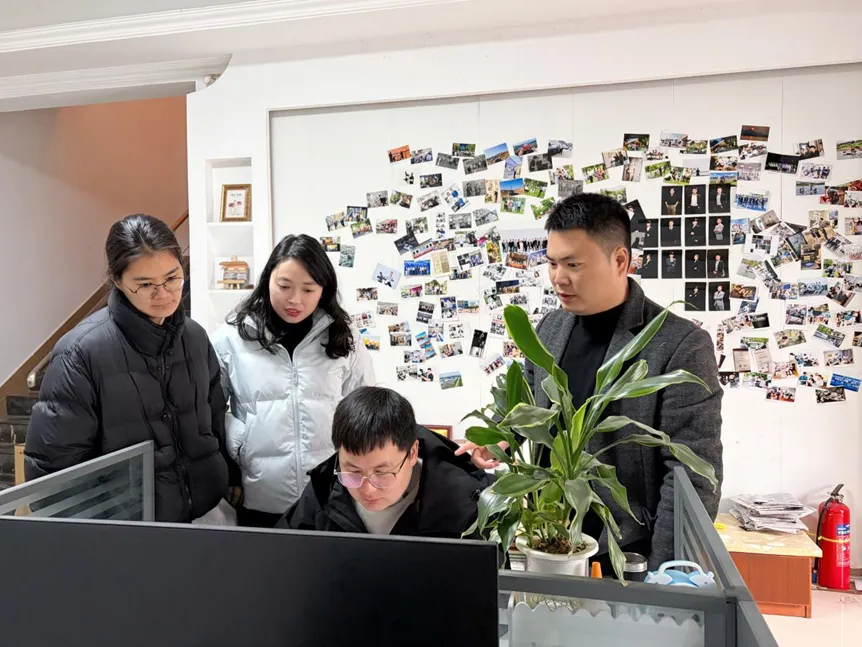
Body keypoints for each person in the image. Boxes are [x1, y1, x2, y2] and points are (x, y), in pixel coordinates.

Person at [456, 193, 722, 570]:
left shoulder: (680, 345)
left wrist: (668, 572)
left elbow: (691, 477)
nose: (558, 278)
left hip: (627, 553)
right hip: (545, 538)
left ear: (620, 260)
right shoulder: (550, 328)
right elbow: (528, 404)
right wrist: (502, 434)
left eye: (573, 264)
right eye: (552, 263)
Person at [25, 214, 230, 522]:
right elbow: (53, 475)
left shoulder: (194, 337)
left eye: (172, 278)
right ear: (118, 281)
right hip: (132, 531)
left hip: (206, 514)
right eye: (145, 284)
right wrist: (110, 534)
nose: (164, 293)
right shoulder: (80, 353)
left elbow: (214, 420)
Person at [213, 234, 375, 527]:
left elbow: (365, 412)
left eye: (308, 289)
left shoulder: (344, 336)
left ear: (323, 290)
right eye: (284, 286)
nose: (295, 300)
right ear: (267, 281)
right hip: (259, 494)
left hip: (331, 494)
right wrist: (230, 470)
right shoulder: (231, 338)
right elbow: (208, 411)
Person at [279, 387, 493, 537]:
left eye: (381, 473)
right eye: (353, 472)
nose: (368, 490)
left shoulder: (465, 504)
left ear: (412, 453)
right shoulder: (324, 487)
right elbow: (282, 556)